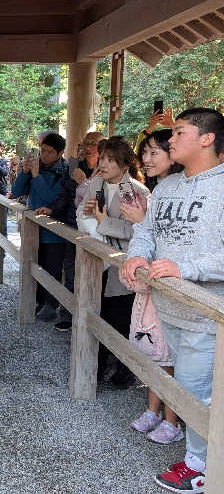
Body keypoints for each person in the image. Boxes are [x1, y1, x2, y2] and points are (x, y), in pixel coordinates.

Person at [122, 108, 224, 493]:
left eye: (180, 132)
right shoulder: (167, 187)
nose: (171, 139)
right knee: (184, 387)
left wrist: (187, 267)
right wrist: (136, 255)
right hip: (168, 308)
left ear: (207, 138)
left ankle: (201, 467)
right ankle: (200, 457)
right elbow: (147, 231)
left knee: (199, 393)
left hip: (207, 313)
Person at [123, 129, 184, 444]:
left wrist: (140, 219)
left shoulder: (176, 190)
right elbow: (148, 235)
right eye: (143, 153)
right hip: (154, 284)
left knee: (170, 357)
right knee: (154, 352)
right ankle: (153, 410)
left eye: (153, 152)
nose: (145, 159)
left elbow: (167, 239)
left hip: (173, 285)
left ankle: (173, 421)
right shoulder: (159, 188)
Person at [76, 136, 149, 389]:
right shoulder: (97, 182)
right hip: (96, 259)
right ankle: (96, 366)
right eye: (103, 158)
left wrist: (101, 220)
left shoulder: (136, 192)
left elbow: (138, 231)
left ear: (125, 165)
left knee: (120, 318)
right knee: (98, 311)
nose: (103, 164)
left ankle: (123, 369)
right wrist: (88, 214)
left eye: (110, 160)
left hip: (121, 264)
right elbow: (82, 209)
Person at [46, 131, 106, 332]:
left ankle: (92, 319)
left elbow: (101, 201)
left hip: (100, 233)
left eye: (94, 143)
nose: (89, 147)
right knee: (71, 272)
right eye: (86, 143)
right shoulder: (75, 168)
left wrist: (85, 182)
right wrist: (52, 209)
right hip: (74, 227)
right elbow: (65, 195)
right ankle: (68, 314)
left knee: (96, 275)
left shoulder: (106, 171)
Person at [13, 132, 69, 322]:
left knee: (52, 268)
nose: (44, 155)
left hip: (54, 231)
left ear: (60, 153)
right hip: (33, 228)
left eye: (49, 152)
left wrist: (36, 176)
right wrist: (25, 173)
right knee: (32, 263)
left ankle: (51, 304)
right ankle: (36, 300)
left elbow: (52, 199)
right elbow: (16, 191)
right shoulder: (37, 166)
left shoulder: (65, 171)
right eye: (42, 150)